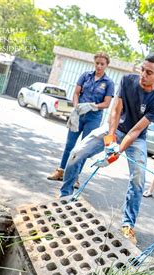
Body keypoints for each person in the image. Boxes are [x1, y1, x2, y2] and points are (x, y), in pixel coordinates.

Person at [60, 53, 154, 245]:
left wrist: (116, 152)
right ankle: (64, 197)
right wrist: (110, 140)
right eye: (142, 69)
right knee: (77, 153)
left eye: (149, 72)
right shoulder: (127, 80)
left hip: (135, 139)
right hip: (115, 129)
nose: (143, 74)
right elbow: (116, 110)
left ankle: (128, 225)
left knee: (138, 179)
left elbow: (136, 130)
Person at [47, 52, 115, 187]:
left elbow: (106, 104)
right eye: (97, 63)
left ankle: (75, 177)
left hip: (93, 118)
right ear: (94, 62)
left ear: (107, 65)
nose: (99, 66)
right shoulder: (85, 76)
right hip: (79, 115)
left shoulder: (109, 83)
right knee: (70, 145)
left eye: (102, 64)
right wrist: (76, 107)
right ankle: (61, 171)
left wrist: (92, 106)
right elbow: (76, 93)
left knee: (84, 148)